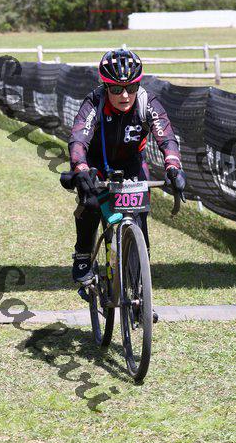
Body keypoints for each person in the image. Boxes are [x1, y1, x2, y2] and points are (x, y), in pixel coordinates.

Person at [68, 48, 186, 283]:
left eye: (131, 88)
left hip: (132, 163)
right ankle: (82, 256)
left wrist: (173, 166)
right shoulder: (94, 102)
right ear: (106, 86)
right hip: (96, 163)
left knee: (139, 216)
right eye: (116, 89)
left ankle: (139, 286)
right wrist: (80, 168)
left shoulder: (146, 102)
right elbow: (78, 139)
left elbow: (166, 137)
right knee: (90, 201)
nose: (124, 95)